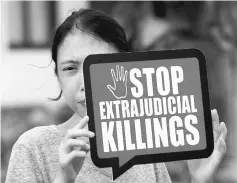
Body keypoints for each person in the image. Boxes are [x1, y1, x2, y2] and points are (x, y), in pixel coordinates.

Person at [5, 8, 228, 183]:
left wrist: (199, 179)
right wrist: (64, 179)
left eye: (97, 66)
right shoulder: (34, 147)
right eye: (70, 68)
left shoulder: (143, 148)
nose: (84, 84)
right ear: (57, 75)